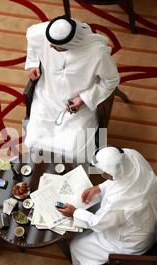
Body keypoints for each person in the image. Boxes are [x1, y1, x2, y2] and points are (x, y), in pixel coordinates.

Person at [56, 145, 157, 265]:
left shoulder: (119, 201)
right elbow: (123, 178)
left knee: (76, 244)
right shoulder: (131, 155)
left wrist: (74, 212)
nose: (98, 171)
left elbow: (99, 224)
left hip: (132, 241)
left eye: (101, 171)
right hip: (149, 214)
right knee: (93, 211)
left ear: (110, 174)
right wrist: (99, 188)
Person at [24, 15, 120, 162]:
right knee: (33, 142)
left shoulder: (97, 54)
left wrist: (84, 98)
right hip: (46, 96)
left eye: (55, 46)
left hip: (79, 106)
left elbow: (111, 80)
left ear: (72, 43)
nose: (50, 46)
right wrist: (33, 63)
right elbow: (32, 39)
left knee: (75, 153)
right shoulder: (45, 32)